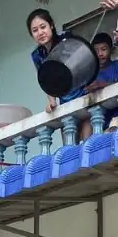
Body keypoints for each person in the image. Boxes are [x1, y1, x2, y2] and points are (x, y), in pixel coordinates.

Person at [27, 9, 93, 141]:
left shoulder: (66, 39)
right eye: (35, 30)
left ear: (51, 25)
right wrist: (51, 101)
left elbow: (84, 62)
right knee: (69, 150)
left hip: (83, 94)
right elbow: (46, 80)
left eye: (43, 27)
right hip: (64, 101)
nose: (40, 33)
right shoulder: (37, 55)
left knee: (87, 145)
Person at [86, 32, 118, 129]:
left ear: (111, 50)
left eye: (103, 49)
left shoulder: (117, 65)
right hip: (100, 120)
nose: (100, 54)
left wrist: (101, 85)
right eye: (96, 51)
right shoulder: (91, 74)